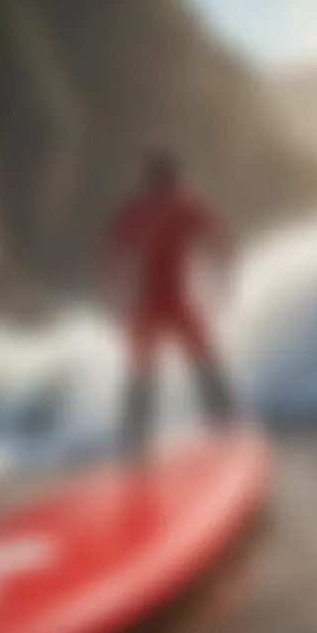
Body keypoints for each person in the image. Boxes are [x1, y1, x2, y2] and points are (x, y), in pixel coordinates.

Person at [104, 151, 235, 457]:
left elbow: (111, 258)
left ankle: (134, 444)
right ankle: (228, 429)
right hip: (176, 299)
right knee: (205, 363)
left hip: (146, 303)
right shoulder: (185, 204)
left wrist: (113, 304)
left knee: (142, 373)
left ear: (148, 180)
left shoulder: (134, 210)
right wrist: (224, 286)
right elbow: (221, 244)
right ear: (174, 177)